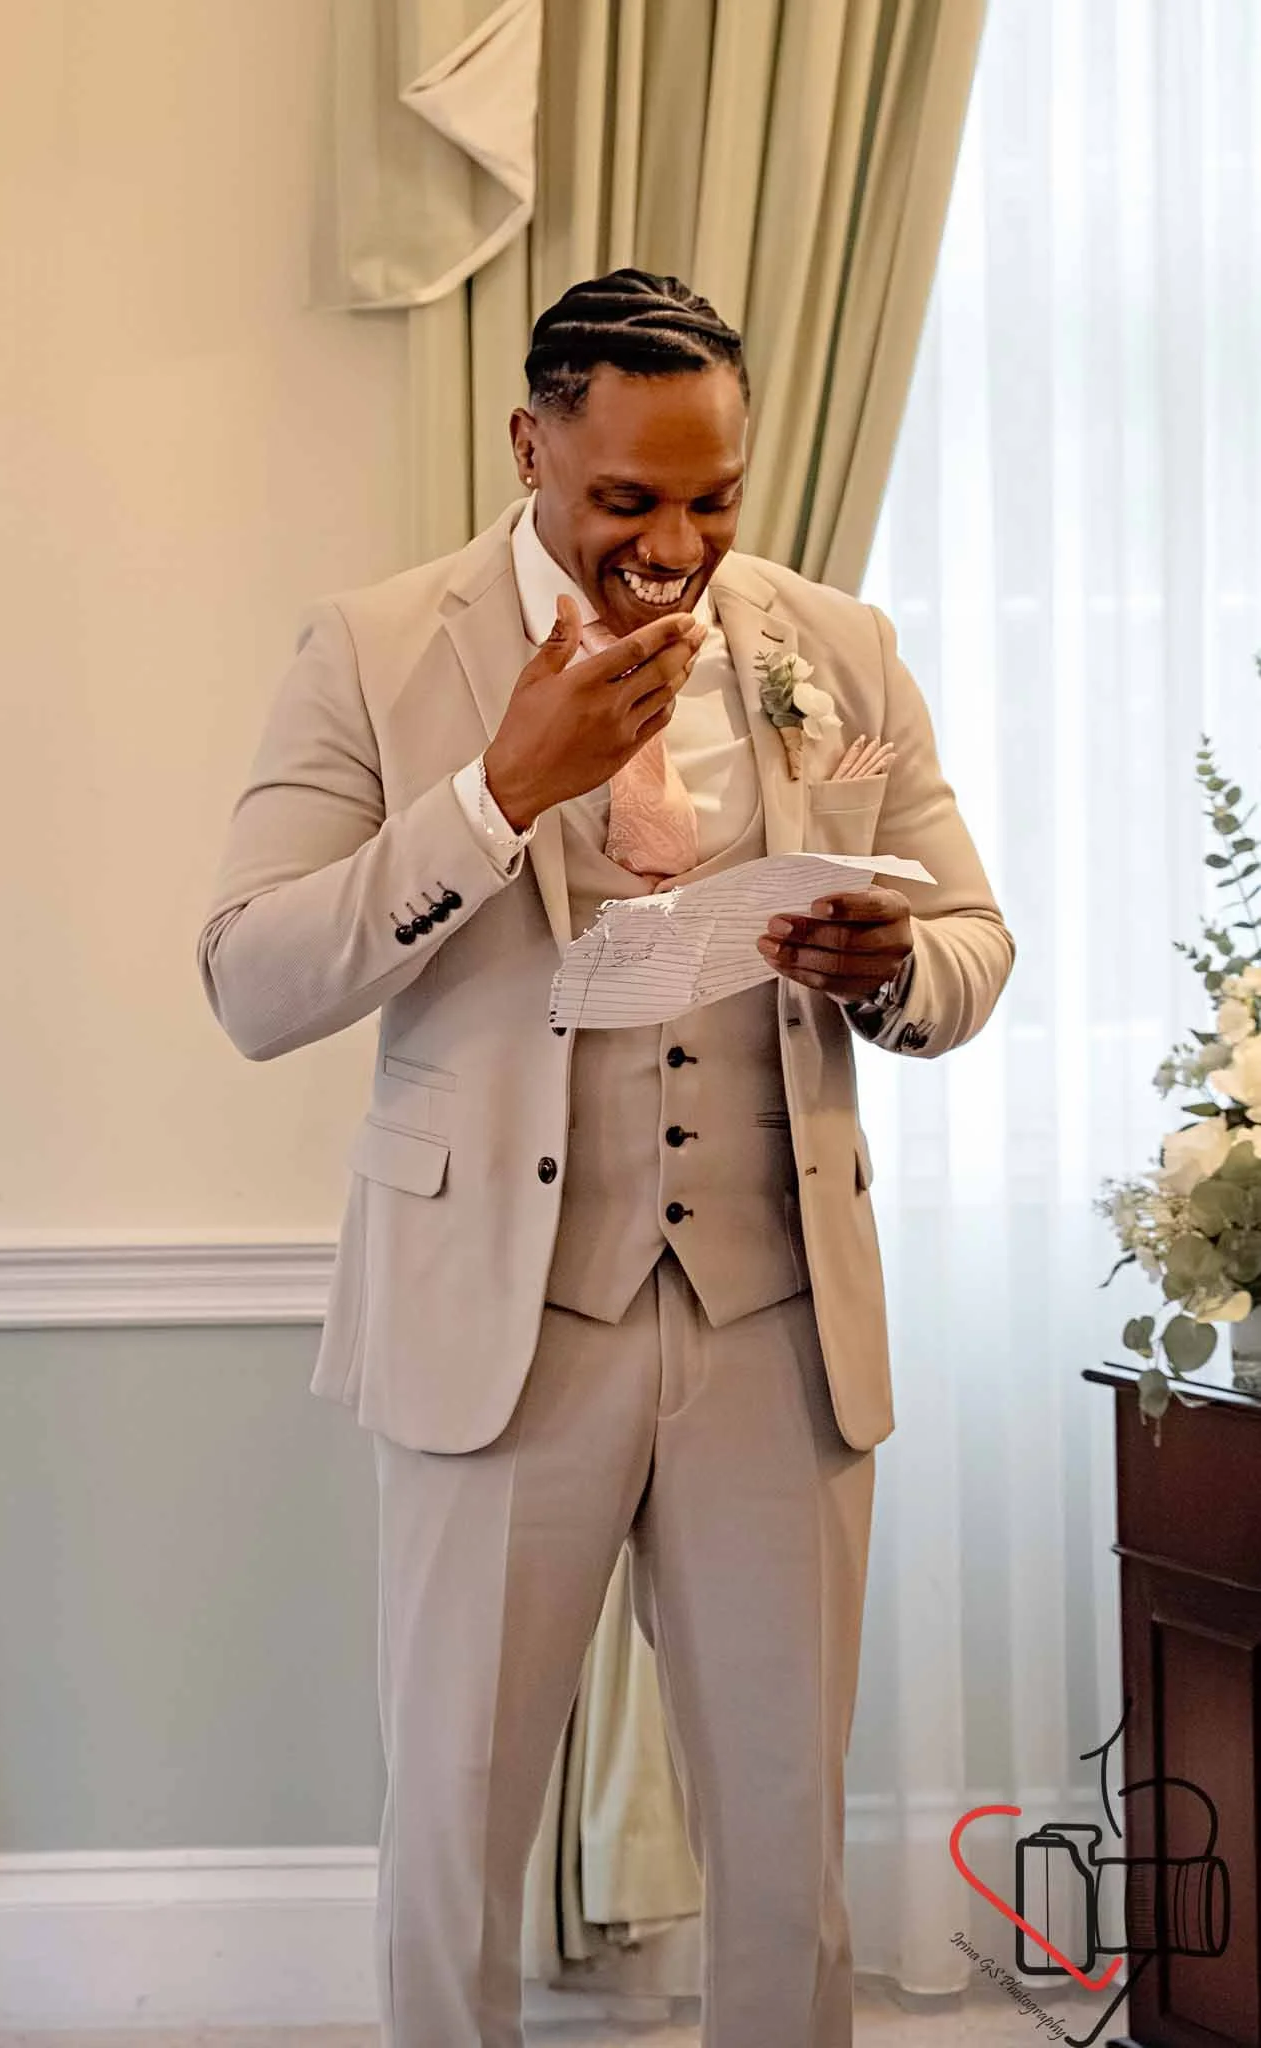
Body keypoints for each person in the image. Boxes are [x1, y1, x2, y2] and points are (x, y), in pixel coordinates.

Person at [197, 268, 1014, 2047]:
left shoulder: (836, 650)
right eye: (626, 499)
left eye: (713, 498)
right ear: (529, 445)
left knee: (787, 1855)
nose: (675, 543)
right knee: (454, 1832)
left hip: (771, 1319)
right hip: (498, 1320)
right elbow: (250, 979)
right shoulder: (372, 645)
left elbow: (971, 945)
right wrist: (496, 792)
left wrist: (892, 975)